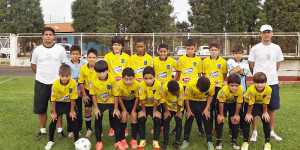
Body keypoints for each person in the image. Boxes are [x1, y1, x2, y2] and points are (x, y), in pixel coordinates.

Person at [31, 27, 68, 140]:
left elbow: (64, 64)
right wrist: (41, 75)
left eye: (50, 34)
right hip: (41, 83)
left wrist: (59, 78)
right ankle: (42, 132)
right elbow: (33, 65)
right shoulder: (37, 50)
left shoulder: (60, 49)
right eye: (46, 34)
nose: (48, 36)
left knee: (58, 108)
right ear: (42, 36)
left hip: (56, 83)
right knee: (41, 109)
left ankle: (60, 131)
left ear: (54, 36)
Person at [248, 24, 284, 141]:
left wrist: (270, 75)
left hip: (272, 82)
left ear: (272, 33)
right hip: (258, 84)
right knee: (256, 108)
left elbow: (277, 64)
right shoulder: (255, 48)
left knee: (272, 108)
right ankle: (254, 132)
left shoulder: (276, 48)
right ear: (261, 34)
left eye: (269, 32)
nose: (267, 34)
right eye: (264, 32)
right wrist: (258, 78)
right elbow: (251, 65)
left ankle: (271, 131)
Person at [44, 65, 79, 150]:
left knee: (74, 119)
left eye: (66, 76)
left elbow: (72, 98)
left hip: (68, 104)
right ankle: (50, 141)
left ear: (70, 75)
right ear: (59, 75)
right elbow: (53, 99)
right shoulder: (55, 84)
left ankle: (76, 141)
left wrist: (72, 111)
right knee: (53, 121)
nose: (64, 78)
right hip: (58, 104)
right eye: (62, 76)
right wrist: (53, 112)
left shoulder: (73, 83)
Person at [90, 60, 122, 150]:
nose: (101, 74)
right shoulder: (93, 79)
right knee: (97, 118)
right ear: (96, 72)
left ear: (107, 70)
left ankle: (118, 141)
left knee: (116, 118)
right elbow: (93, 94)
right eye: (99, 72)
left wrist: (116, 108)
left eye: (103, 72)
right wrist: (96, 108)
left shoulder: (112, 79)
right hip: (100, 102)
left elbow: (116, 95)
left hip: (111, 101)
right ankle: (99, 142)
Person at [177, 39, 204, 137]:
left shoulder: (198, 60)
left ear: (195, 48)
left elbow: (199, 74)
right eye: (188, 49)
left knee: (195, 109)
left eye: (192, 49)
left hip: (193, 88)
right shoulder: (181, 59)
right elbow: (179, 72)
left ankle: (200, 129)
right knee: (181, 108)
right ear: (185, 49)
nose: (190, 51)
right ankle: (177, 127)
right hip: (183, 86)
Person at [104, 36, 130, 137]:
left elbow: (128, 71)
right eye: (115, 45)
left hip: (123, 86)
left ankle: (125, 127)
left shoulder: (126, 57)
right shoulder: (107, 56)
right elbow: (106, 71)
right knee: (113, 108)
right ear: (112, 46)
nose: (117, 47)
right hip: (112, 86)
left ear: (122, 46)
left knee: (123, 108)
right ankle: (112, 128)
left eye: (119, 45)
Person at [180, 77, 215, 150]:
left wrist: (206, 109)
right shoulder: (190, 84)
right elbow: (186, 98)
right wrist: (188, 110)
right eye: (200, 90)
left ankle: (210, 142)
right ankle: (186, 141)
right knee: (189, 119)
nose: (202, 92)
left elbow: (210, 96)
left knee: (207, 119)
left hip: (203, 103)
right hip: (192, 102)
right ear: (197, 85)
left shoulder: (211, 84)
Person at [153, 43, 179, 135]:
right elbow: (151, 72)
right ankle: (156, 126)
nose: (163, 53)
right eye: (161, 51)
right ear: (158, 51)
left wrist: (173, 80)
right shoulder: (154, 60)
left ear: (168, 51)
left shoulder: (171, 61)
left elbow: (178, 71)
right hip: (157, 87)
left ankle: (163, 126)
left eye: (164, 51)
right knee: (157, 106)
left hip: (167, 89)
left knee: (165, 107)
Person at [241, 72, 271, 150]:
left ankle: (267, 142)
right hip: (249, 104)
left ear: (266, 82)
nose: (260, 85)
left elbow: (265, 102)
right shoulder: (251, 89)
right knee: (247, 120)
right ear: (253, 82)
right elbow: (251, 103)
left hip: (260, 104)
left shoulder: (269, 89)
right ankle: (245, 142)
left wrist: (265, 112)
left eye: (262, 83)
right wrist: (248, 114)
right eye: (257, 83)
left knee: (266, 119)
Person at [202, 42, 227, 135]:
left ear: (218, 51)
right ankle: (209, 129)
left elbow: (224, 74)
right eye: (212, 50)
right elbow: (204, 75)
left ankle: (217, 129)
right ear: (209, 50)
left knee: (218, 109)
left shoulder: (223, 61)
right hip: (209, 89)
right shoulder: (205, 61)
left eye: (215, 50)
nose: (214, 52)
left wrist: (219, 83)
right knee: (209, 109)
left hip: (218, 88)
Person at [215, 74, 243, 150]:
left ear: (239, 85)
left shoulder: (241, 90)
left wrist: (236, 114)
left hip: (233, 103)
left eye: (236, 86)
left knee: (235, 120)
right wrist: (221, 115)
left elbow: (239, 102)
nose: (234, 88)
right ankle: (218, 140)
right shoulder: (224, 90)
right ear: (228, 84)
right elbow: (221, 103)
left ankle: (234, 140)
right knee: (220, 120)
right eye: (232, 85)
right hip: (222, 103)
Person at [137, 66, 162, 150]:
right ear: (143, 78)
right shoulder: (141, 84)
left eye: (150, 78)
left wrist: (155, 111)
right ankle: (142, 140)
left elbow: (156, 100)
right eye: (146, 78)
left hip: (155, 105)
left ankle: (155, 141)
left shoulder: (158, 84)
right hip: (144, 105)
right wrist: (143, 111)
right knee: (141, 119)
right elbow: (142, 100)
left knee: (157, 119)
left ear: (154, 77)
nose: (148, 81)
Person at [227, 45, 249, 136]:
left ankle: (241, 128)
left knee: (242, 110)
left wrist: (236, 68)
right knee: (232, 110)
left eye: (239, 53)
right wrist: (240, 67)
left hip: (242, 91)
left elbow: (244, 73)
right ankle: (231, 127)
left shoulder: (246, 62)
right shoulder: (230, 61)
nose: (238, 55)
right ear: (233, 54)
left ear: (242, 54)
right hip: (232, 91)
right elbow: (230, 73)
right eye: (236, 53)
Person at [117, 67, 140, 149]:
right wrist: (123, 110)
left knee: (134, 118)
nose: (128, 81)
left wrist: (133, 110)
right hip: (123, 102)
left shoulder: (137, 84)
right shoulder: (119, 84)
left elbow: (137, 98)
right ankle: (122, 139)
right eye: (126, 79)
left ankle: (133, 139)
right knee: (124, 118)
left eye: (130, 79)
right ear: (122, 78)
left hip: (133, 101)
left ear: (134, 78)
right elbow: (118, 97)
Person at [65, 45, 85, 137]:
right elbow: (66, 78)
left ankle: (78, 129)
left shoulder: (83, 64)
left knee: (79, 111)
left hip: (79, 92)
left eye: (77, 54)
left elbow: (84, 78)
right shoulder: (67, 64)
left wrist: (81, 89)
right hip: (70, 92)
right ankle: (70, 129)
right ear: (70, 54)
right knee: (70, 110)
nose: (75, 55)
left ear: (80, 54)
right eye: (73, 54)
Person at [78, 48, 98, 138]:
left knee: (99, 111)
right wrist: (84, 95)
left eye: (93, 57)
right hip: (87, 92)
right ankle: (89, 129)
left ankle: (98, 129)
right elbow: (81, 82)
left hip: (98, 92)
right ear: (87, 58)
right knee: (87, 110)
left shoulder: (100, 68)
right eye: (90, 57)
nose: (91, 59)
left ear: (97, 58)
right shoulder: (83, 68)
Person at [161, 80, 184, 150]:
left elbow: (180, 100)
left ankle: (177, 142)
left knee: (179, 122)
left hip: (178, 108)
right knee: (166, 121)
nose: (177, 93)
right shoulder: (164, 88)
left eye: (178, 91)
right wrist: (166, 111)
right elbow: (163, 100)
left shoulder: (181, 87)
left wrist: (178, 112)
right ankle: (165, 141)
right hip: (168, 107)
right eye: (175, 93)